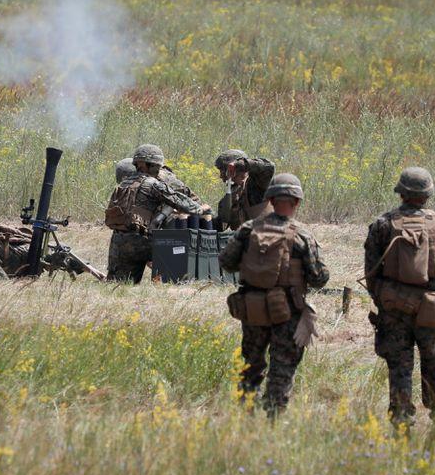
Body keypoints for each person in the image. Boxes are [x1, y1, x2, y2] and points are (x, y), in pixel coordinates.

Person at [219, 174, 329, 416]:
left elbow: (227, 262)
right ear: (297, 201)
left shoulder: (248, 230)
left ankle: (245, 415)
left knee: (250, 365)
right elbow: (320, 278)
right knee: (282, 369)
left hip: (252, 308)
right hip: (287, 312)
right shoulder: (302, 235)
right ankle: (273, 419)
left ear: (269, 199)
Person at [364, 167, 435, 428]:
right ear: (428, 194)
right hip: (431, 308)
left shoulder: (382, 224)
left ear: (401, 193)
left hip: (394, 309)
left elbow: (371, 273)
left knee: (399, 369)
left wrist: (386, 299)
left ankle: (401, 421)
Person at [105, 145, 208, 283]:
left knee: (119, 286)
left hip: (119, 242)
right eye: (157, 166)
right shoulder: (153, 183)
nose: (158, 170)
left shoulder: (123, 184)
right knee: (172, 276)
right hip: (144, 240)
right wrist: (202, 209)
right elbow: (183, 204)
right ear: (149, 165)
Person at [213, 150, 275, 231]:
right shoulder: (230, 197)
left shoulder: (255, 185)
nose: (221, 176)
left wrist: (240, 164)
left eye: (223, 170)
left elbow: (269, 167)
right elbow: (221, 224)